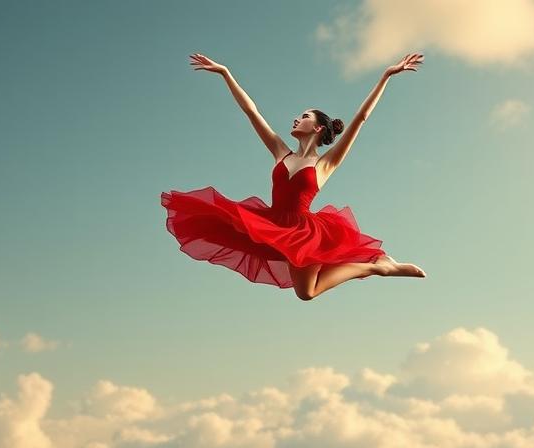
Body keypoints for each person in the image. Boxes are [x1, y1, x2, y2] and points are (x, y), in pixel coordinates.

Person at [161, 52, 427, 300]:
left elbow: (360, 119)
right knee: (214, 222)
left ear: (318, 127)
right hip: (273, 224)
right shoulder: (281, 152)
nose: (296, 119)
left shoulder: (325, 164)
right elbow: (251, 112)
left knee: (306, 293)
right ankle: (377, 267)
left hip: (303, 233)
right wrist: (225, 73)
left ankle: (379, 267)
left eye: (304, 116)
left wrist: (386, 76)